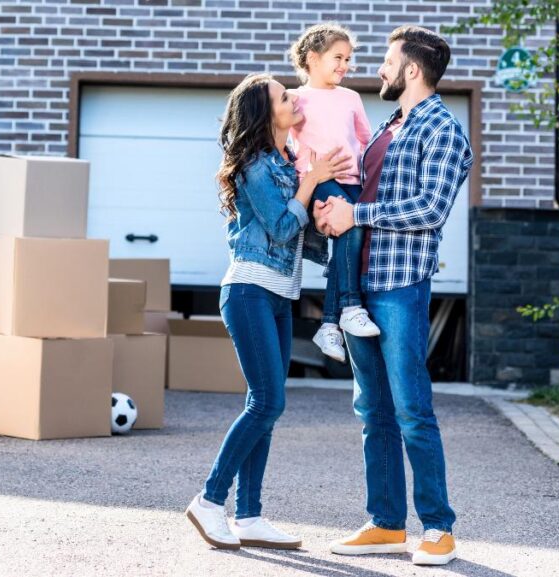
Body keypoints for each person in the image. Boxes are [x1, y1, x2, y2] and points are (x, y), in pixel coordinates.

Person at [313, 25, 473, 566]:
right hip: (357, 284)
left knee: (411, 409)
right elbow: (357, 193)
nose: (377, 69)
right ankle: (385, 523)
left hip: (399, 284)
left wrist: (357, 214)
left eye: (386, 60)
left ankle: (438, 528)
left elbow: (430, 210)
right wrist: (331, 211)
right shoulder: (388, 125)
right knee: (372, 410)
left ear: (411, 69)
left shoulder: (444, 130)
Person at [185, 73, 350, 550]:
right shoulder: (255, 165)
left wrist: (327, 214)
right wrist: (312, 183)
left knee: (267, 405)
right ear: (265, 113)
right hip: (249, 291)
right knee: (267, 401)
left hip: (279, 294)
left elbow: (302, 237)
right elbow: (279, 229)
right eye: (284, 96)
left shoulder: (289, 161)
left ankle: (250, 515)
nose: (294, 98)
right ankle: (211, 500)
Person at [289, 22, 380, 364]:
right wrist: (306, 179)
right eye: (337, 57)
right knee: (350, 230)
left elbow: (366, 141)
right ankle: (350, 307)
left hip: (352, 179)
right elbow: (284, 140)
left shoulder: (351, 98)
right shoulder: (296, 99)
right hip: (319, 180)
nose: (345, 65)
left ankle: (329, 324)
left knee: (349, 242)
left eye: (348, 59)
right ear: (312, 58)